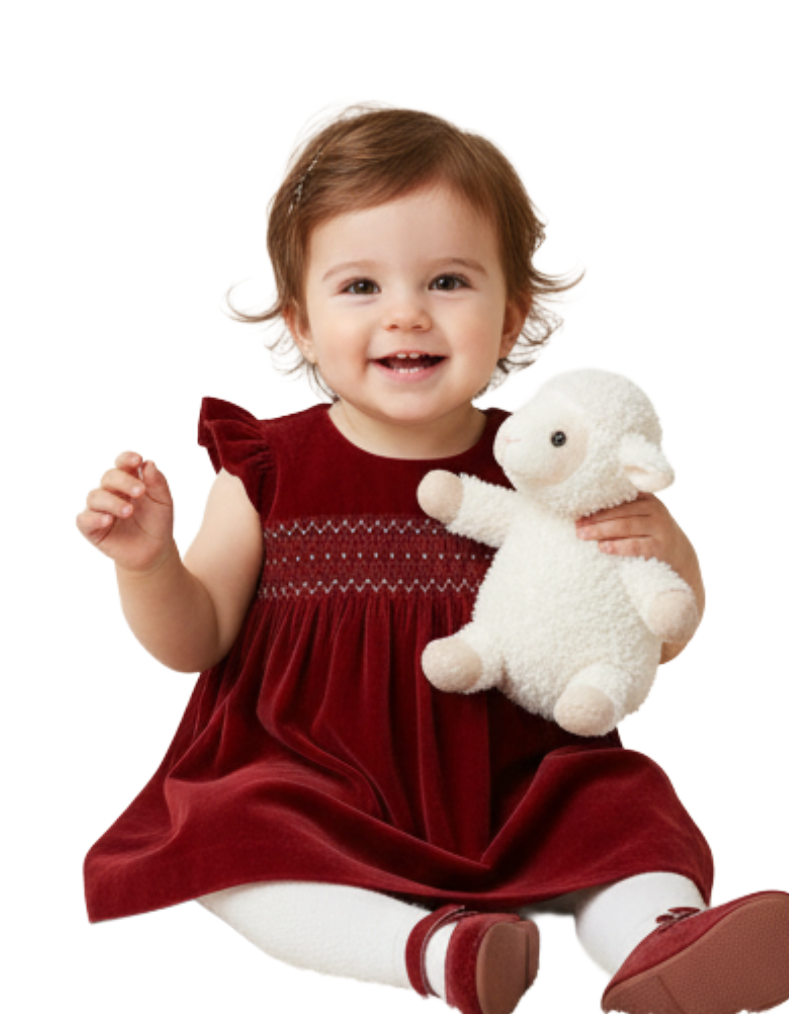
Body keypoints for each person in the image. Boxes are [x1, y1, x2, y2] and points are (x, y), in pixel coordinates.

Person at [77, 106, 789, 1014]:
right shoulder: (267, 468)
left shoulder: (554, 464)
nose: (406, 312)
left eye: (447, 280)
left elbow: (657, 633)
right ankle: (440, 951)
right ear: (301, 323)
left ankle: (659, 938)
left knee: (624, 810)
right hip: (313, 773)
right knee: (228, 837)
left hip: (517, 774)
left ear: (510, 317)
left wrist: (667, 547)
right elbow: (198, 639)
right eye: (359, 285)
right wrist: (147, 565)